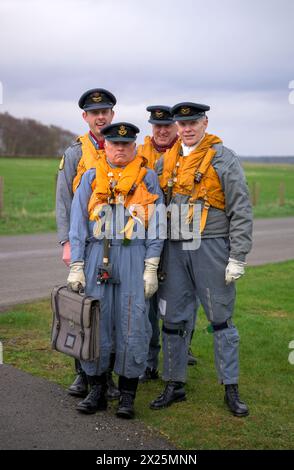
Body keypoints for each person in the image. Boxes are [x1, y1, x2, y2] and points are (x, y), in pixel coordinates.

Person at [150, 102, 253, 417]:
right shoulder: (165, 161)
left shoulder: (224, 159)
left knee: (220, 320)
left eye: (193, 122)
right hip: (174, 249)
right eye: (182, 124)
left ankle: (230, 388)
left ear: (205, 122)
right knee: (173, 321)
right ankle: (174, 383)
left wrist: (238, 256)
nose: (187, 129)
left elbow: (241, 210)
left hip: (210, 247)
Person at [67, 122, 164, 419]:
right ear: (105, 146)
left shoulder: (147, 178)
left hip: (133, 255)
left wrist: (151, 265)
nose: (120, 149)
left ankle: (127, 395)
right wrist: (77, 265)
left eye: (126, 144)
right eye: (114, 144)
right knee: (97, 321)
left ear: (134, 146)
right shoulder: (90, 178)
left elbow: (158, 225)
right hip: (98, 254)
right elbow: (78, 224)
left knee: (133, 322)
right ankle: (96, 389)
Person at [56, 88, 120, 400]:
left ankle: (106, 377)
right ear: (85, 117)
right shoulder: (74, 153)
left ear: (112, 115)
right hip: (85, 242)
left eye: (105, 111)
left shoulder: (122, 148)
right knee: (81, 309)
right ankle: (81, 374)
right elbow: (64, 201)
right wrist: (67, 243)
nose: (100, 117)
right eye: (95, 113)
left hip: (116, 245)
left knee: (110, 312)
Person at [137, 106, 198, 381]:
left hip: (185, 230)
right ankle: (150, 358)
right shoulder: (138, 155)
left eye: (167, 126)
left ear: (175, 127)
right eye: (156, 126)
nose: (162, 131)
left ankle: (182, 351)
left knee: (186, 295)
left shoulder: (188, 152)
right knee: (149, 298)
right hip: (150, 232)